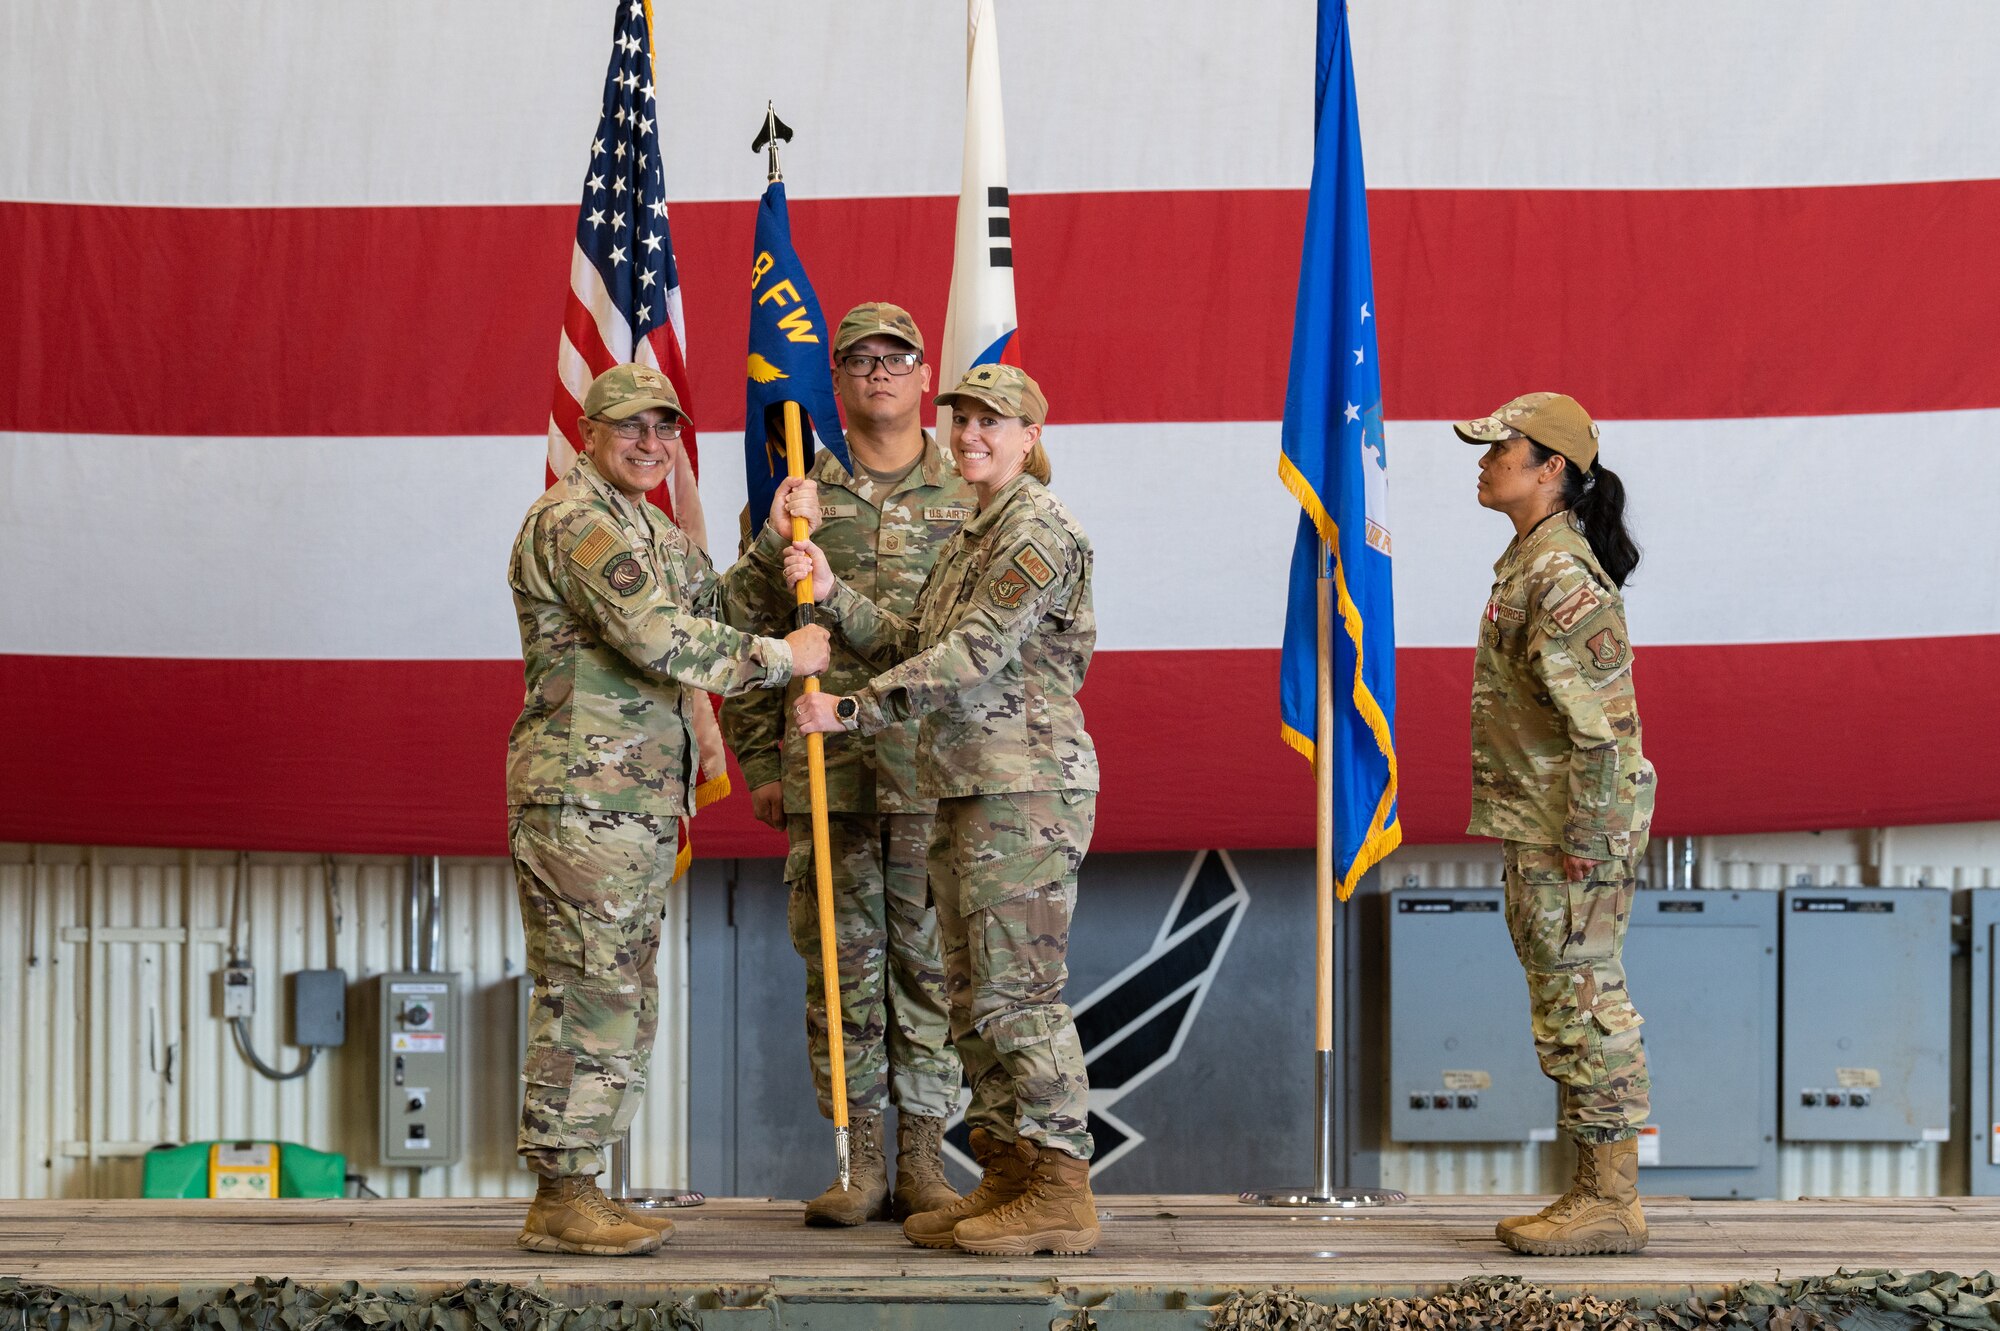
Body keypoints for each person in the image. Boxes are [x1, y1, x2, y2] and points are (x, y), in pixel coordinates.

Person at [505, 363, 830, 1257]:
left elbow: (704, 606)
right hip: (583, 796)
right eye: (631, 427)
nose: (652, 443)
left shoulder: (644, 522)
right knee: (587, 986)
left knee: (619, 989)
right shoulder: (574, 522)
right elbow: (657, 635)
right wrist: (785, 655)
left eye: (665, 428)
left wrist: (768, 550)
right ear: (589, 430)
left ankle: (579, 1187)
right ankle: (564, 1192)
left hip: (631, 797)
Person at [783, 363, 1100, 1257]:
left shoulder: (1036, 528)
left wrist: (849, 708)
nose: (969, 434)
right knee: (972, 997)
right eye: (961, 418)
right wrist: (832, 591)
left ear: (1031, 435)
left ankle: (1062, 1186)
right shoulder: (974, 533)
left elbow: (971, 654)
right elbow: (915, 639)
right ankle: (1006, 1170)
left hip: (1023, 790)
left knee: (1019, 994)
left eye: (992, 421)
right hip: (965, 786)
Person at [720, 302, 973, 1226]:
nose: (878, 373)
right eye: (858, 359)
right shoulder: (794, 502)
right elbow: (741, 634)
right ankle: (859, 1156)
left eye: (895, 358)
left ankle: (925, 1158)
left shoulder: (969, 492)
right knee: (840, 965)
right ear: (836, 378)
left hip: (940, 775)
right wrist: (760, 762)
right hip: (827, 773)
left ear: (922, 374)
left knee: (935, 967)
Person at [1458, 391, 1657, 1256]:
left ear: (1551, 469)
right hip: (1543, 823)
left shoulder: (1559, 575)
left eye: (1501, 446)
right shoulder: (1528, 561)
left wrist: (1587, 843)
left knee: (1587, 1003)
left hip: (1571, 832)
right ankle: (1593, 1189)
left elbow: (1606, 731)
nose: (1483, 457)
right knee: (1565, 1003)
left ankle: (1611, 1198)